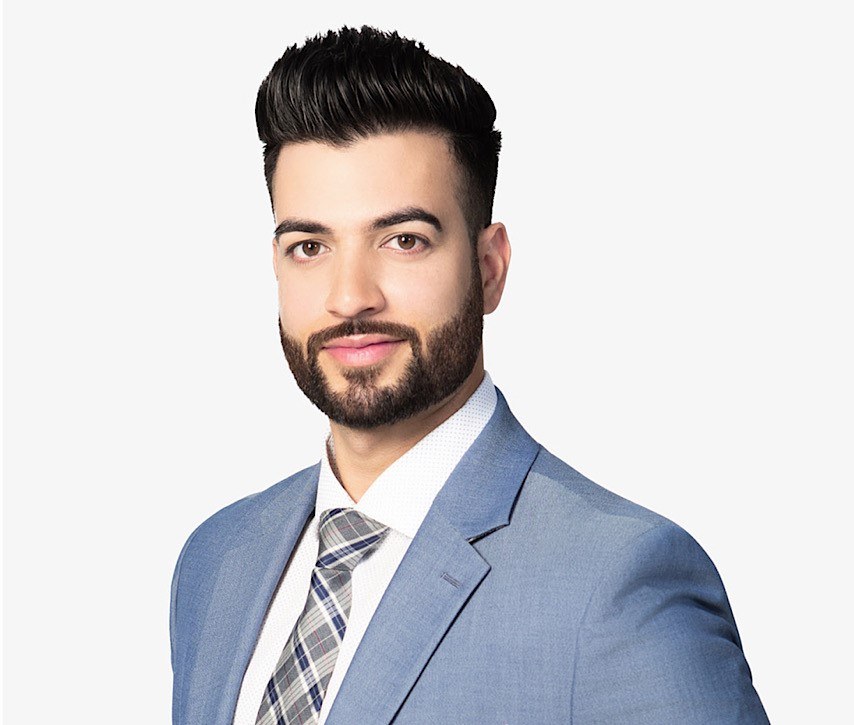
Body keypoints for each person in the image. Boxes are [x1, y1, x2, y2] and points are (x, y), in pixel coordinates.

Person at [169, 26, 769, 725]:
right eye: (309, 246)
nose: (350, 296)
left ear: (489, 268)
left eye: (404, 240)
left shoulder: (619, 585)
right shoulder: (216, 563)